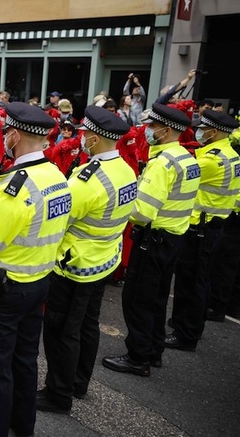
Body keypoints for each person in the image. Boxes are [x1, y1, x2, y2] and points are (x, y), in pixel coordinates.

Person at [0, 102, 71, 437]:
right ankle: (22, 427)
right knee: (24, 364)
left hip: (6, 291)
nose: (4, 138)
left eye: (6, 132)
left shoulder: (17, 187)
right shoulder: (55, 175)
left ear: (15, 134)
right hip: (38, 282)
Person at [37, 106, 136, 414]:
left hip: (74, 266)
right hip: (104, 260)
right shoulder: (126, 169)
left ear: (93, 138)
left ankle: (58, 393)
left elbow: (57, 220)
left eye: (84, 135)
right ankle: (79, 382)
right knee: (88, 326)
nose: (81, 140)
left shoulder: (87, 180)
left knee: (61, 331)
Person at [102, 104, 199, 376]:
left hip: (153, 239)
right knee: (156, 298)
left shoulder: (162, 164)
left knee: (138, 300)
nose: (148, 131)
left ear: (166, 130)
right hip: (173, 238)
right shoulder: (187, 158)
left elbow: (142, 211)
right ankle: (153, 350)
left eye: (153, 126)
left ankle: (138, 357)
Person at [166, 109, 240, 351]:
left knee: (191, 281)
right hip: (216, 225)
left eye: (202, 128)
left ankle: (186, 333)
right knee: (201, 278)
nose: (199, 132)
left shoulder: (210, 160)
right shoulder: (232, 155)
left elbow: (183, 177)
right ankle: (187, 323)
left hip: (201, 227)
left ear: (214, 131)